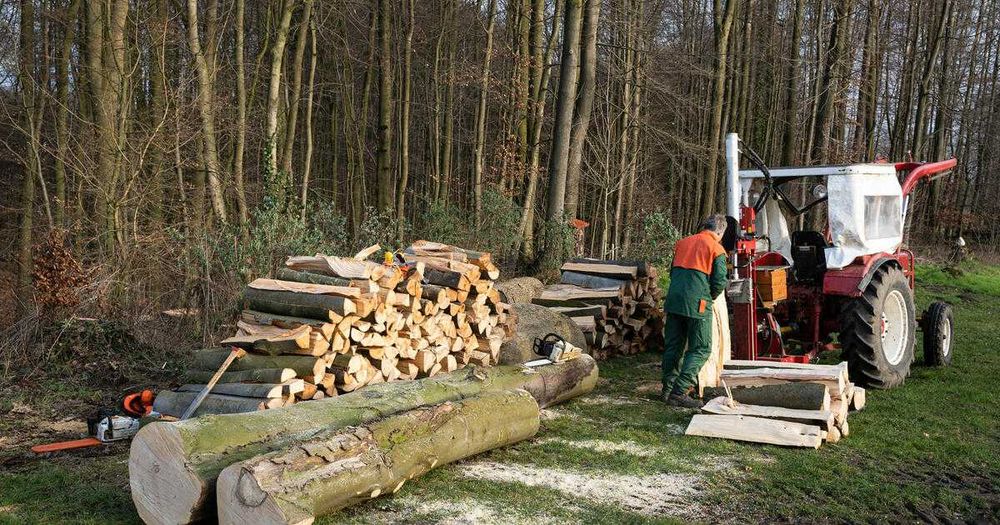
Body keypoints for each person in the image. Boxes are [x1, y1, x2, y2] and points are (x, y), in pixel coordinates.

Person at [661, 214, 729, 408]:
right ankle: (680, 391)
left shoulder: (682, 243)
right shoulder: (716, 248)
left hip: (674, 301)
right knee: (701, 348)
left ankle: (667, 389)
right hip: (697, 304)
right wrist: (709, 297)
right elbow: (719, 282)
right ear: (720, 231)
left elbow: (673, 272)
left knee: (673, 346)